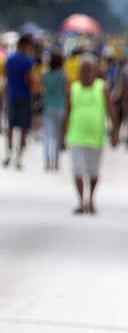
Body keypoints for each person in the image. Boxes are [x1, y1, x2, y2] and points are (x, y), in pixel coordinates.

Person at [61, 56, 119, 215]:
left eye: (89, 70)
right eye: (83, 70)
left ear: (95, 71)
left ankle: (91, 199)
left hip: (96, 137)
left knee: (93, 173)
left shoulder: (102, 88)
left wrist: (115, 132)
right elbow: (67, 112)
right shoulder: (73, 89)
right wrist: (63, 136)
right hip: (76, 136)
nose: (86, 73)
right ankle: (81, 201)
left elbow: (111, 111)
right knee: (78, 171)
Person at [3, 34, 34, 170]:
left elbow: (6, 76)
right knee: (23, 127)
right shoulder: (27, 61)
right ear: (25, 45)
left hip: (12, 94)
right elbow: (28, 79)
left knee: (10, 125)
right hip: (24, 95)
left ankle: (9, 152)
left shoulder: (9, 59)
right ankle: (19, 157)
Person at [41, 52, 66, 171]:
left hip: (47, 105)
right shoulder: (63, 75)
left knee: (47, 135)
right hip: (60, 106)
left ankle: (47, 161)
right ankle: (56, 162)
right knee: (57, 136)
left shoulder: (45, 75)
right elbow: (67, 91)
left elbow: (41, 89)